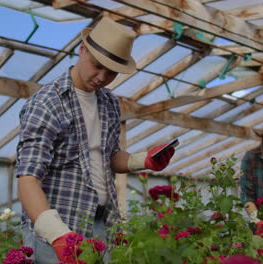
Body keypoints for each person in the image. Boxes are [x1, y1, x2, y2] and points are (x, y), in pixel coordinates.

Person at [15, 17, 175, 263]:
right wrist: (59, 236)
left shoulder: (109, 102)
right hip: (56, 227)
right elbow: (28, 179)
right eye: (97, 65)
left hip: (101, 222)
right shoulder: (47, 103)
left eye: (111, 72)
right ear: (82, 50)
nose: (102, 76)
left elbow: (109, 157)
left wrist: (143, 160)